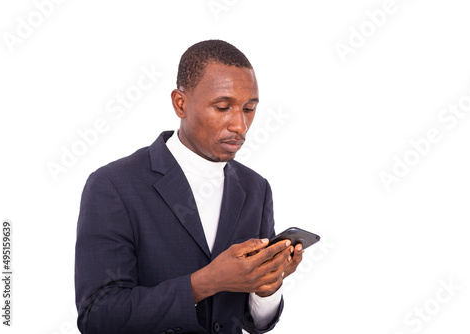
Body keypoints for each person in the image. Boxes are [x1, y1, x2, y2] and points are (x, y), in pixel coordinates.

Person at [75, 40, 303, 334]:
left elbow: (253, 322)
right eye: (223, 107)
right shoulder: (113, 185)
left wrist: (267, 286)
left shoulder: (255, 188)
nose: (240, 125)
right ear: (180, 103)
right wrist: (208, 281)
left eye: (249, 109)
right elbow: (98, 316)